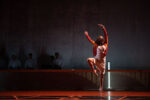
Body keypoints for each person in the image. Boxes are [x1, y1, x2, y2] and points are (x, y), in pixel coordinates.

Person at [84, 24, 108, 91]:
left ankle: (101, 87)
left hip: (102, 62)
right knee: (88, 59)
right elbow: (90, 40)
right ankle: (94, 70)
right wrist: (87, 35)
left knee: (101, 75)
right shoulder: (96, 44)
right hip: (96, 59)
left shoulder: (105, 44)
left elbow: (106, 36)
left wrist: (103, 28)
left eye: (101, 38)